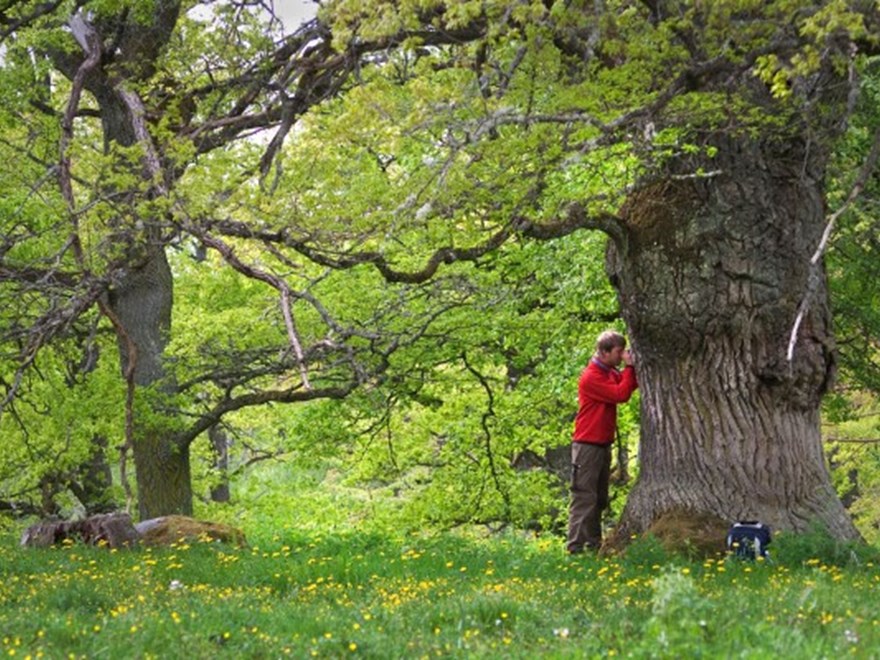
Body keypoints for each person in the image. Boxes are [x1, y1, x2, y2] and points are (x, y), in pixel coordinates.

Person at [567, 330, 637, 554]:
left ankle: (593, 544)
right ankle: (575, 547)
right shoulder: (592, 377)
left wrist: (631, 369)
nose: (621, 356)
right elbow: (620, 394)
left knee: (599, 498)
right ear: (605, 352)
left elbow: (627, 386)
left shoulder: (608, 372)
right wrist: (630, 367)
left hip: (602, 444)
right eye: (618, 352)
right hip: (587, 444)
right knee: (584, 498)